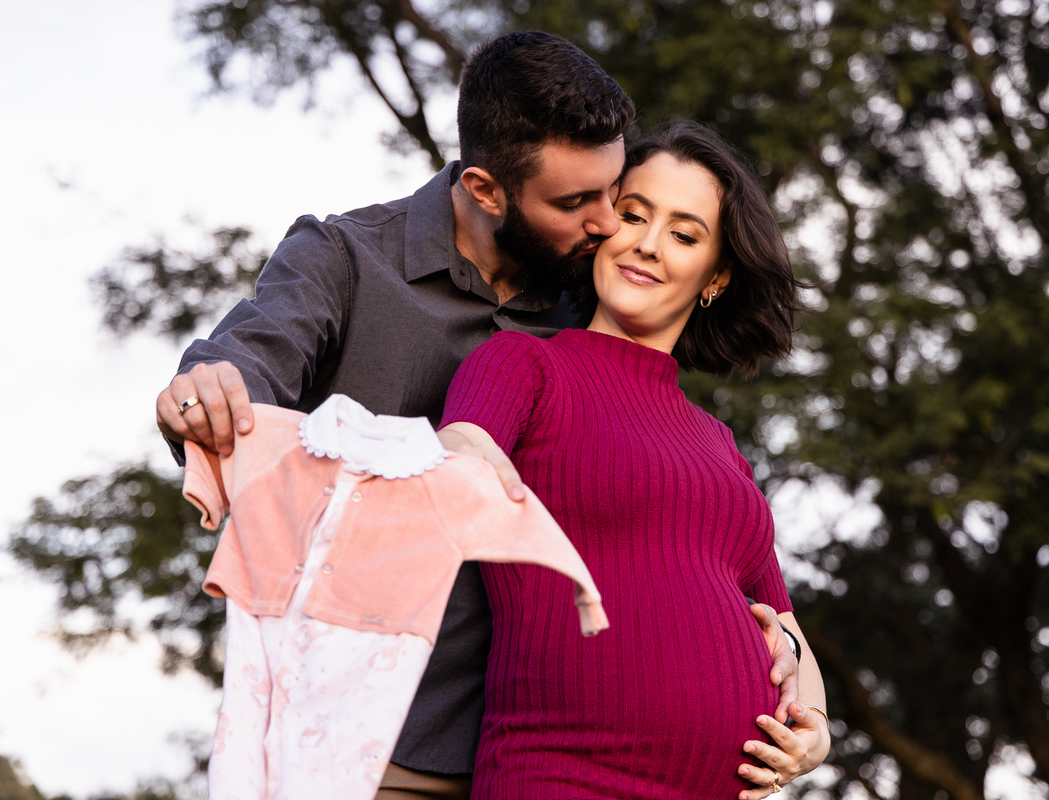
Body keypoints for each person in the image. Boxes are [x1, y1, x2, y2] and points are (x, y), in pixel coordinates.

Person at [155, 32, 812, 799]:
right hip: (378, 746)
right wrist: (203, 394)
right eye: (579, 203)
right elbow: (242, 376)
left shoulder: (584, 293)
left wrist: (793, 673)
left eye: (614, 193)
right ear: (487, 189)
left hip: (526, 736)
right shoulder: (346, 260)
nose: (610, 224)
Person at [439, 121, 830, 800]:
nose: (648, 244)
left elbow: (785, 627)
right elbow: (459, 449)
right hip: (560, 773)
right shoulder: (526, 363)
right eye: (634, 214)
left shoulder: (717, 443)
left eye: (684, 234)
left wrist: (816, 729)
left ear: (716, 277)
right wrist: (465, 451)